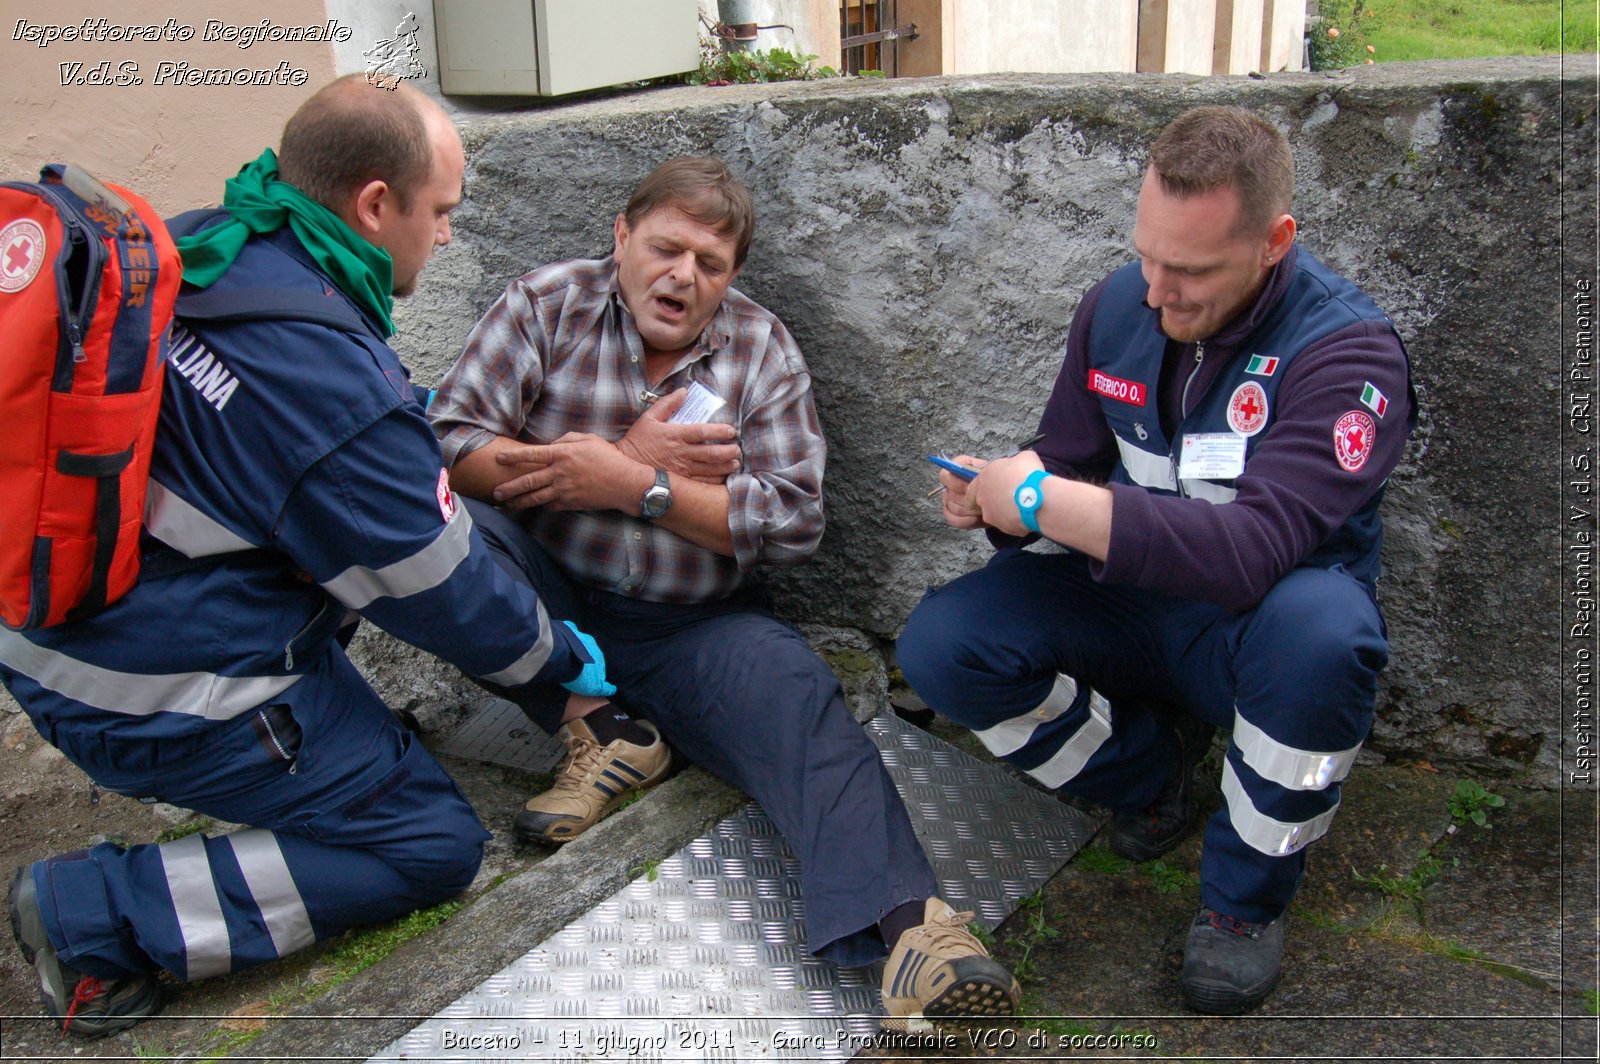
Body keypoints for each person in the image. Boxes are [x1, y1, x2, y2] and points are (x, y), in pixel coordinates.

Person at [0, 75, 616, 1038]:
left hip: (58, 627)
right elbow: (442, 586)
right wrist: (565, 667)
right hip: (149, 692)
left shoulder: (220, 241)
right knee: (429, 843)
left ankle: (319, 759)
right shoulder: (328, 389)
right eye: (441, 211)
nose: (446, 235)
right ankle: (91, 913)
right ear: (376, 203)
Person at [427, 155, 1019, 1025]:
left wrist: (641, 489)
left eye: (710, 264)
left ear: (732, 274)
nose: (682, 277)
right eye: (666, 249)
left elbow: (793, 526)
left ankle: (913, 935)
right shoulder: (545, 302)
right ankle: (598, 729)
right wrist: (617, 456)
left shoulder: (761, 349)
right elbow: (451, 446)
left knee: (797, 694)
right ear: (622, 237)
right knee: (440, 528)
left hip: (694, 626)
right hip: (548, 595)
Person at [896, 106, 1415, 1015]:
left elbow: (1252, 550)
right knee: (944, 643)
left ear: (1274, 241)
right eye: (1147, 255)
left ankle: (1245, 901)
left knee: (1327, 636)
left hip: (1256, 639)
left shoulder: (1348, 354)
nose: (1157, 292)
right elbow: (1074, 466)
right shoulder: (1116, 307)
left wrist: (1039, 497)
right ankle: (1150, 778)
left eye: (1193, 270)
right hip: (1129, 607)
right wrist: (1002, 503)